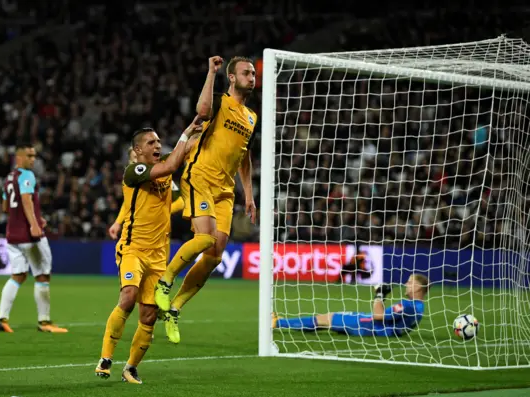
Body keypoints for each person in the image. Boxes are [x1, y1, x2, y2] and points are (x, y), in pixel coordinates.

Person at [154, 55, 258, 344]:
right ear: (233, 78)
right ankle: (165, 280)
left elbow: (245, 156)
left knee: (215, 255)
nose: (252, 77)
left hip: (225, 189)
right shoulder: (220, 102)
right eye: (246, 73)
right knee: (206, 238)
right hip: (199, 176)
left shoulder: (252, 117)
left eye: (253, 73)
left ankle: (174, 309)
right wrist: (211, 73)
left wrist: (248, 194)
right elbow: (201, 110)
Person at [95, 118, 202, 384]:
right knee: (128, 297)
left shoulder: (163, 169)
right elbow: (173, 162)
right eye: (150, 142)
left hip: (158, 255)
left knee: (149, 315)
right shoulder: (135, 170)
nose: (157, 145)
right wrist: (186, 132)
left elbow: (184, 159)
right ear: (138, 150)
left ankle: (130, 367)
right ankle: (106, 357)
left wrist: (205, 129)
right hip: (133, 249)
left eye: (158, 141)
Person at [0, 142, 68, 333]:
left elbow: (5, 207)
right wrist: (34, 223)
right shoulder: (27, 175)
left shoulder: (9, 178)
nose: (33, 160)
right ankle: (44, 322)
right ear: (19, 158)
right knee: (42, 275)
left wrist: (35, 216)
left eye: (34, 156)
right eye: (29, 156)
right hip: (29, 236)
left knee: (18, 275)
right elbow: (26, 199)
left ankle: (2, 319)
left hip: (12, 235)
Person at [274, 274, 429, 337]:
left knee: (325, 318)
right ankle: (280, 322)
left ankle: (277, 322)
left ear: (418, 288)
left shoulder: (408, 305)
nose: (406, 285)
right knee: (324, 323)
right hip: (376, 329)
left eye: (410, 283)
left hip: (368, 326)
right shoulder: (419, 307)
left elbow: (378, 316)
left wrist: (380, 295)